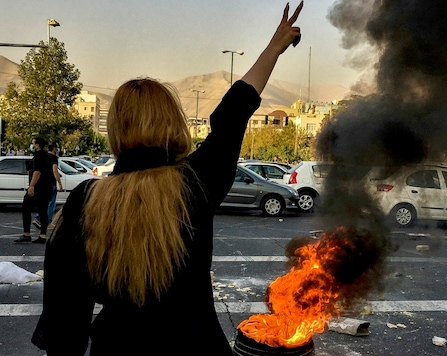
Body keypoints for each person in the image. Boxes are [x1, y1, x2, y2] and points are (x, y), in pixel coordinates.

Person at [32, 3, 303, 355]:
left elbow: (64, 322)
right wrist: (274, 47)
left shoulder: (86, 200)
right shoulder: (196, 182)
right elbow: (233, 113)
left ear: (116, 129)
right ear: (172, 121)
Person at [15, 138, 54, 244]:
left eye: (32, 143)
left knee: (26, 207)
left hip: (39, 188)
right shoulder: (47, 156)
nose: (31, 145)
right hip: (47, 188)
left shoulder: (38, 157)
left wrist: (31, 186)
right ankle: (43, 235)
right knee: (43, 211)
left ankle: (26, 234)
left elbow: (37, 172)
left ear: (37, 145)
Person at [33, 144, 63, 230]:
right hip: (51, 183)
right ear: (54, 149)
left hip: (43, 183)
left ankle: (38, 218)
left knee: (44, 203)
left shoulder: (44, 157)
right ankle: (46, 221)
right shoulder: (54, 158)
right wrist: (59, 183)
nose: (57, 149)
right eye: (56, 148)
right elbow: (55, 170)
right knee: (51, 203)